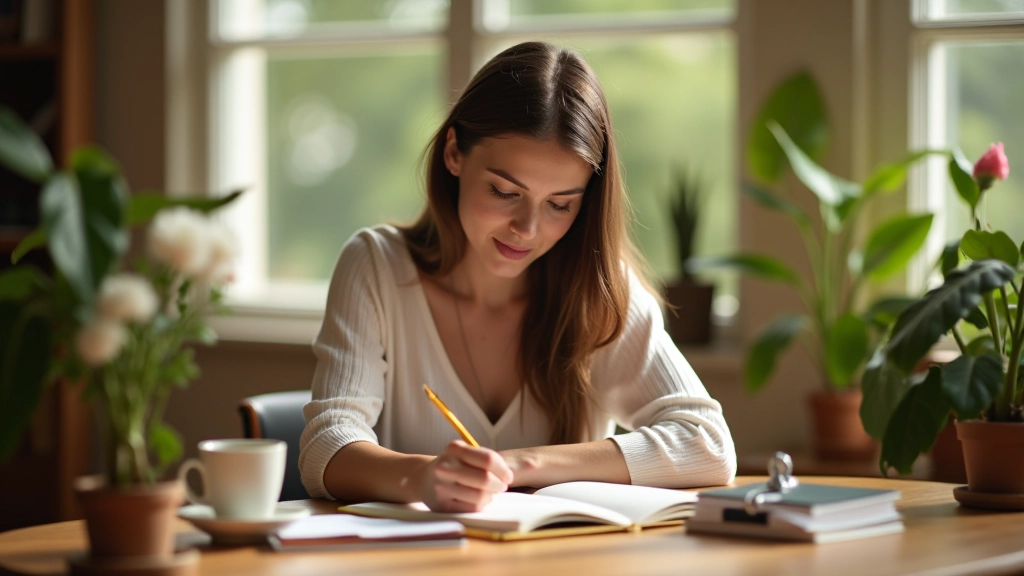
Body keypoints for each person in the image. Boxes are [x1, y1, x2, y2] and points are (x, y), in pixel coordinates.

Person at [298, 41, 736, 513]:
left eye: (560, 204)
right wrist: (421, 478)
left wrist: (522, 465)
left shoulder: (602, 291)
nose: (527, 230)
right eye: (505, 191)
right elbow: (326, 448)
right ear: (454, 154)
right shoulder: (376, 267)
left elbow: (707, 444)